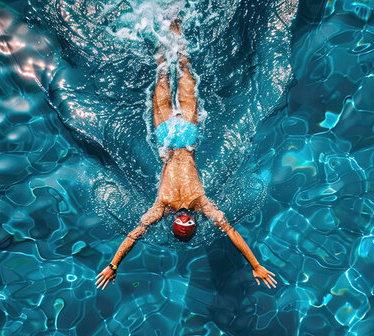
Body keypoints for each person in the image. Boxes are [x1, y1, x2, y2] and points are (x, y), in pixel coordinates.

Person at [95, 19, 277, 290]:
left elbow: (134, 235)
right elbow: (230, 232)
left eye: (181, 220)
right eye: (187, 220)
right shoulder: (195, 203)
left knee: (165, 73)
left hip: (171, 137)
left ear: (175, 222)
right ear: (192, 221)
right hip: (181, 136)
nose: (183, 214)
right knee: (181, 71)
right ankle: (173, 20)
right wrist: (255, 264)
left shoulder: (166, 206)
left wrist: (113, 265)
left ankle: (163, 24)